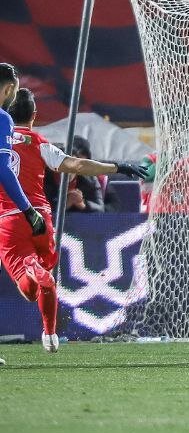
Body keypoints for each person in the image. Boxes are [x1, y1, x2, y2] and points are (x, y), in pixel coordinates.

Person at [0, 85, 148, 352]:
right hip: (41, 219)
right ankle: (49, 334)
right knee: (43, 281)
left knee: (28, 289)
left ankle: (32, 269)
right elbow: (77, 165)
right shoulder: (39, 143)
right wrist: (119, 166)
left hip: (10, 220)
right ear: (33, 115)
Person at [44, 136, 117, 214]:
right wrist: (64, 205)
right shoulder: (44, 180)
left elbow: (102, 209)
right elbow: (39, 209)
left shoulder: (90, 180)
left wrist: (83, 204)